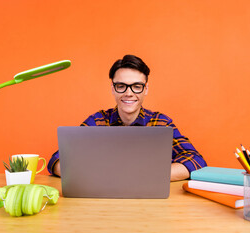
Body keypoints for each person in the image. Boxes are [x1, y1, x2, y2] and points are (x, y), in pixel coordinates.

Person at [47, 54, 207, 181]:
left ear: (146, 89)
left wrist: (145, 177)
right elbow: (57, 160)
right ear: (113, 88)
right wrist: (103, 176)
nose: (128, 93)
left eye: (137, 86)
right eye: (121, 86)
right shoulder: (97, 121)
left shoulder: (161, 123)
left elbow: (196, 161)